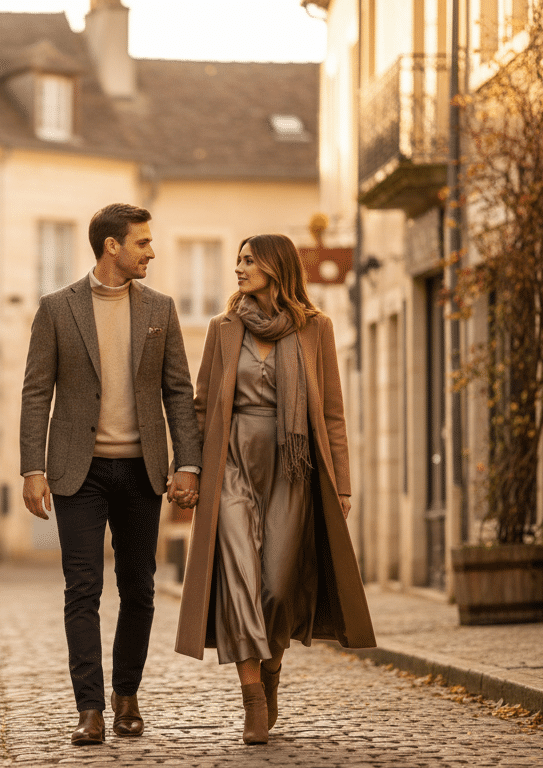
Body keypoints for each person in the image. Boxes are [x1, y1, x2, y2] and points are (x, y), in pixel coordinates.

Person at [173, 234, 376, 745]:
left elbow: (331, 411)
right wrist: (192, 468)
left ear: (275, 266)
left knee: (279, 585)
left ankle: (271, 670)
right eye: (237, 260)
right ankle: (253, 702)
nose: (238, 268)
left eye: (248, 260)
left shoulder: (315, 329)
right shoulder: (222, 330)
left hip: (295, 468)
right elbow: (201, 407)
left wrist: (342, 484)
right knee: (240, 579)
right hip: (233, 465)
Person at [20, 203, 203, 746]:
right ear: (111, 247)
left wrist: (187, 464)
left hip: (143, 469)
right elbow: (36, 391)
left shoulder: (161, 309)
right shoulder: (57, 309)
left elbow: (177, 392)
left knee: (140, 589)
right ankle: (91, 710)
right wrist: (33, 468)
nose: (151, 251)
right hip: (79, 472)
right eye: (142, 242)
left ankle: (127, 697)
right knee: (83, 589)